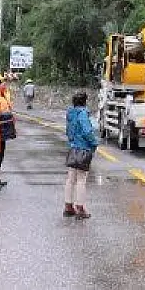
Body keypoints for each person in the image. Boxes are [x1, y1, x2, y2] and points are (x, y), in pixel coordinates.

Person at [64, 90, 97, 220]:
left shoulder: (70, 113)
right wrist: (94, 144)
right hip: (83, 148)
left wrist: (72, 141)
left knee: (70, 179)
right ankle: (80, 208)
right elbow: (87, 131)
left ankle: (68, 206)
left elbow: (68, 130)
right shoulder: (83, 114)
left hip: (73, 148)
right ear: (84, 102)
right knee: (81, 180)